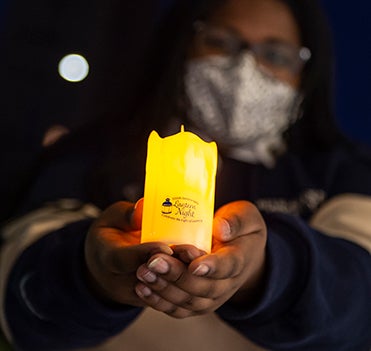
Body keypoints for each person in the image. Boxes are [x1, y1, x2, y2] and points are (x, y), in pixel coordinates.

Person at [1, 0, 370, 350]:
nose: (243, 68)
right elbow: (18, 293)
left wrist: (267, 273)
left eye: (275, 55)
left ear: (308, 71)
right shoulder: (88, 157)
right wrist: (91, 275)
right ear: (181, 44)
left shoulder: (341, 170)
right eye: (220, 41)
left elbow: (360, 303)